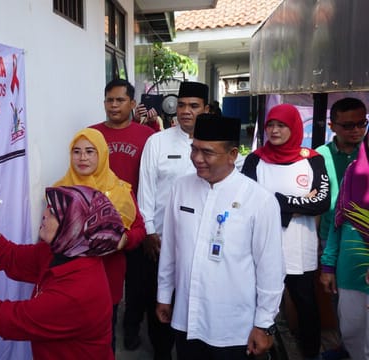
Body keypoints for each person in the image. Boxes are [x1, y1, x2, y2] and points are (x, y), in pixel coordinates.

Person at [0, 185, 126, 360]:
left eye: (53, 213)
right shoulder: (63, 251)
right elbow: (12, 257)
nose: (44, 214)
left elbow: (6, 320)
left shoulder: (78, 291)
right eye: (48, 207)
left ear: (75, 227)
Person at [156, 113, 285, 359]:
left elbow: (270, 268)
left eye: (207, 152)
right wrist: (164, 294)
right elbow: (171, 247)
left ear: (233, 155)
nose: (197, 159)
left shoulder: (259, 200)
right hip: (187, 316)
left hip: (234, 326)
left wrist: (264, 323)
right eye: (194, 149)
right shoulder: (180, 188)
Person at [242, 103, 331, 360]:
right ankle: (257, 349)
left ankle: (310, 352)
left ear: (293, 126)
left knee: (305, 303)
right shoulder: (255, 159)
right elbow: (248, 202)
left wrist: (277, 200)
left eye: (281, 125)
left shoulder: (312, 159)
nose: (274, 130)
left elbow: (321, 203)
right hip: (259, 245)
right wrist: (298, 202)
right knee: (256, 302)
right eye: (271, 124)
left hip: (298, 247)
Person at [53, 127, 146, 353]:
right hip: (70, 280)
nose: (82, 157)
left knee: (104, 340)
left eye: (90, 151)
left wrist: (124, 241)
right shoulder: (59, 190)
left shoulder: (121, 190)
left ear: (102, 154)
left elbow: (139, 229)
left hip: (107, 277)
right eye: (76, 151)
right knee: (71, 343)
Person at [137, 81, 209, 358]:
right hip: (161, 241)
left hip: (200, 241)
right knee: (160, 301)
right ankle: (161, 352)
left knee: (195, 301)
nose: (186, 111)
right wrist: (148, 231)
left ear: (206, 108)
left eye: (193, 106)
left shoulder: (213, 146)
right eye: (181, 105)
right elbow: (146, 189)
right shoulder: (157, 142)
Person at [89, 79, 157, 353]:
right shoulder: (92, 135)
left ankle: (131, 330)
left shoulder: (147, 136)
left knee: (137, 285)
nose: (114, 105)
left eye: (119, 100)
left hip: (136, 224)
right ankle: (106, 338)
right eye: (109, 100)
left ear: (132, 103)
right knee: (104, 286)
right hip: (101, 225)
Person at [317, 97, 367, 360]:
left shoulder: (366, 154)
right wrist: (327, 261)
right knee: (344, 305)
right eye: (348, 126)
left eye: (362, 123)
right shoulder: (319, 157)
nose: (356, 130)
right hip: (335, 240)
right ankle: (348, 347)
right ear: (332, 125)